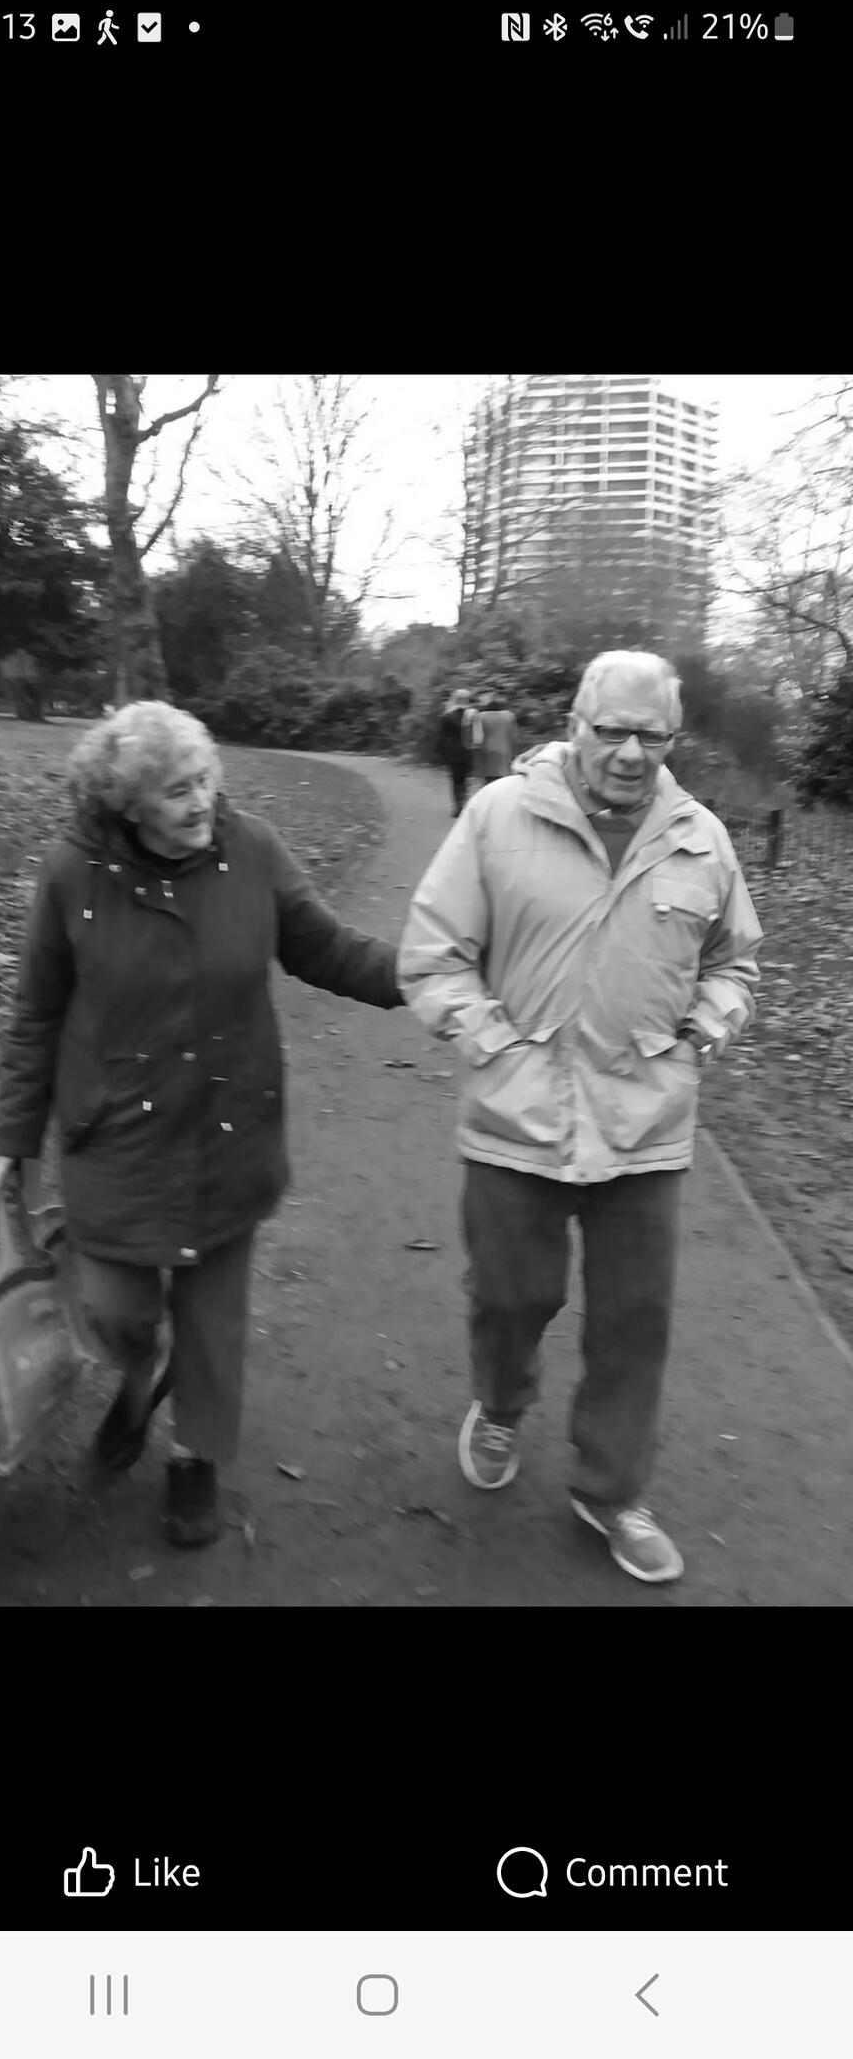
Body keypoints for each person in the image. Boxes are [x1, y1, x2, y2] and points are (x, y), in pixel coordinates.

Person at [0, 700, 403, 1548]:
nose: (202, 801)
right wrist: (8, 1142)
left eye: (207, 778)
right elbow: (37, 1012)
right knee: (114, 1308)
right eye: (177, 791)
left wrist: (425, 976)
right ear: (128, 804)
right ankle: (139, 1381)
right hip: (116, 1133)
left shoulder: (252, 852)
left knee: (213, 1317)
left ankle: (194, 1458)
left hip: (225, 1125)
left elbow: (324, 946)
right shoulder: (72, 873)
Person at [397, 651, 762, 1584]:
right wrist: (495, 1046)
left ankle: (612, 1490)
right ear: (576, 722)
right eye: (613, 731)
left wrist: (701, 1035)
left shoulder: (700, 837)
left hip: (647, 1126)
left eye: (652, 735)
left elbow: (734, 964)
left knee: (635, 1322)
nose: (631, 753)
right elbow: (433, 956)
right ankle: (502, 1401)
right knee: (512, 1298)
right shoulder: (498, 818)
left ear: (673, 739)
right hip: (514, 1121)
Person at [436, 687, 476, 818]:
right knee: (465, 778)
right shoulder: (473, 715)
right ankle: (464, 802)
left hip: (453, 752)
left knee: (456, 779)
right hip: (469, 751)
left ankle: (458, 805)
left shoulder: (448, 716)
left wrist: (441, 753)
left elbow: (442, 736)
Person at [471, 692, 517, 786]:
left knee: (489, 779)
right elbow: (514, 735)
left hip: (487, 751)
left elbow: (477, 738)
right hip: (505, 750)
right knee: (504, 779)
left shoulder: (480, 717)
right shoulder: (509, 716)